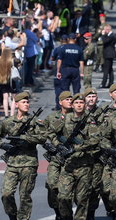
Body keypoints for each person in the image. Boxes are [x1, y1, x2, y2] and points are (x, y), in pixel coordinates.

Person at [0, 92, 46, 220]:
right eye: (23, 102)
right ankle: (12, 216)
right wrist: (3, 145)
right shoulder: (9, 122)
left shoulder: (34, 122)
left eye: (27, 102)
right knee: (6, 194)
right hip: (12, 163)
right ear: (16, 104)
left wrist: (27, 139)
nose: (27, 104)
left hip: (29, 163)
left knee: (25, 196)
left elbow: (43, 137)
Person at [56, 93, 100, 220]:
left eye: (81, 103)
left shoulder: (89, 120)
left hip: (84, 165)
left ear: (85, 105)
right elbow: (51, 133)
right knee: (63, 197)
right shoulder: (64, 119)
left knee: (82, 199)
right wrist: (59, 146)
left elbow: (95, 140)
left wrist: (76, 148)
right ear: (72, 105)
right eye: (76, 103)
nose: (79, 105)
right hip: (68, 165)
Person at [43, 91, 73, 219]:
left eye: (71, 99)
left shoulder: (77, 116)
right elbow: (41, 133)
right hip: (56, 158)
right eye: (67, 99)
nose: (70, 101)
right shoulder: (52, 117)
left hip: (71, 159)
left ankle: (67, 214)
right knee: (51, 185)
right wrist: (47, 144)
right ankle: (57, 212)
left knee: (67, 192)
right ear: (60, 102)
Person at [0, 47, 14, 117]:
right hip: (11, 81)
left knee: (5, 98)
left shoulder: (0, 61)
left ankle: (6, 114)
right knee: (13, 98)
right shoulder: (11, 61)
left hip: (3, 79)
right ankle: (12, 114)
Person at [100, 24, 116, 88]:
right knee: (110, 69)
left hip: (108, 55)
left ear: (108, 29)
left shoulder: (111, 36)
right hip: (109, 54)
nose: (104, 31)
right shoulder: (109, 35)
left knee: (106, 69)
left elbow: (104, 41)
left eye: (105, 29)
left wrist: (103, 35)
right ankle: (111, 83)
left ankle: (103, 83)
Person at [22, 21, 38, 87]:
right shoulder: (30, 33)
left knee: (28, 68)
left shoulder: (23, 32)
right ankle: (28, 81)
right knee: (30, 68)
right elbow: (36, 39)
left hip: (26, 51)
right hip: (31, 52)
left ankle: (30, 81)